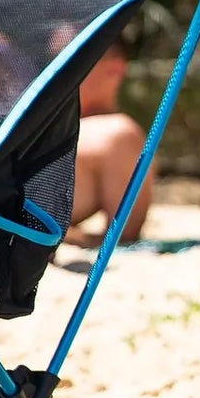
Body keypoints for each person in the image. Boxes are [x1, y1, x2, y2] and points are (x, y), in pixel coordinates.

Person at [67, 41, 152, 246]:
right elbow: (125, 233)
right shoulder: (116, 133)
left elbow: (123, 234)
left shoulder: (116, 133)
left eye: (74, 64)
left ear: (114, 69)